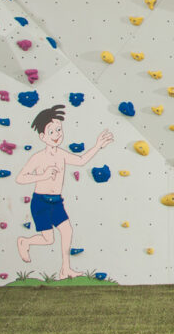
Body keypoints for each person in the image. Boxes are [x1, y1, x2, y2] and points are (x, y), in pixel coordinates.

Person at [16, 104, 112, 279]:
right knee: (48, 239)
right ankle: (25, 242)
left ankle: (65, 269)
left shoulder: (61, 154)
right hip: (41, 202)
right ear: (43, 136)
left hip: (56, 201)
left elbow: (81, 160)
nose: (57, 135)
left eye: (59, 130)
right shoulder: (38, 157)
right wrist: (43, 176)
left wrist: (97, 145)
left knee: (67, 231)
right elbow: (20, 178)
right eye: (52, 132)